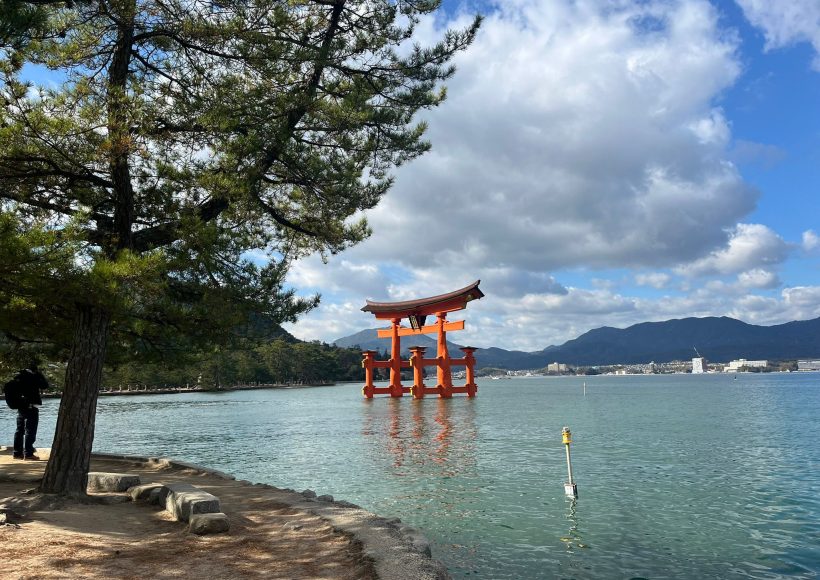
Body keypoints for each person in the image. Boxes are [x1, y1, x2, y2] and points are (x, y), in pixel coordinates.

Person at [11, 362, 48, 460]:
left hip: (20, 406)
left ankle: (17, 453)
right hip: (31, 407)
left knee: (19, 430)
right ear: (34, 370)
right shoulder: (33, 377)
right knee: (30, 430)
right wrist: (39, 374)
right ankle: (28, 454)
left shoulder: (18, 377)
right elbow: (45, 385)